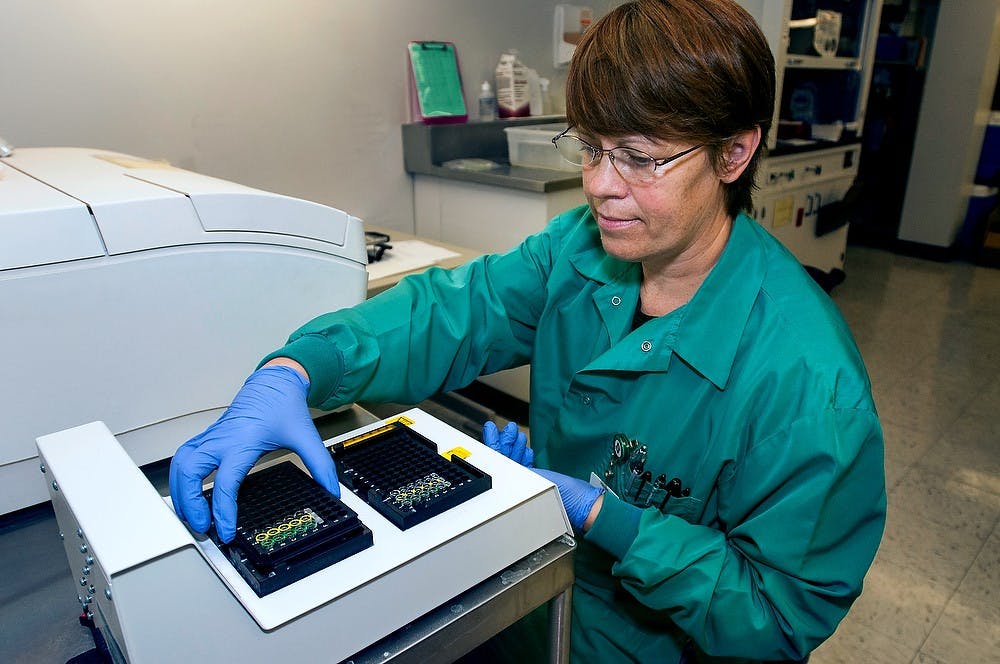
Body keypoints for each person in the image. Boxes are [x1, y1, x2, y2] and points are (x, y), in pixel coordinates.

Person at [170, 0, 886, 661]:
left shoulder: (809, 385)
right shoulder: (578, 250)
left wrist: (609, 516)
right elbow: (451, 312)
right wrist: (297, 369)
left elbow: (777, 612)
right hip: (537, 600)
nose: (602, 185)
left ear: (734, 153)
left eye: (640, 157)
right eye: (591, 148)